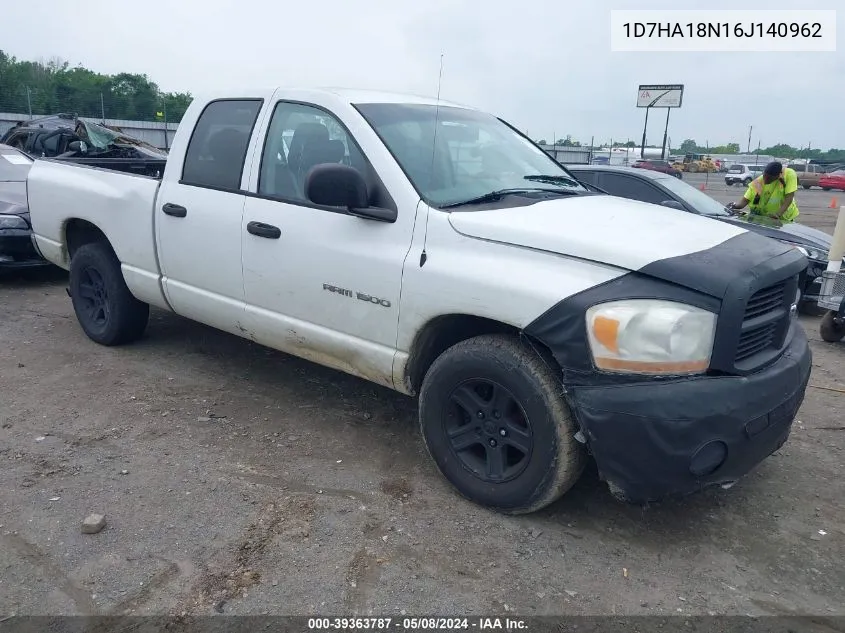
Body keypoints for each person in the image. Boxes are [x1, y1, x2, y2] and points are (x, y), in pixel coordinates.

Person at [727, 161, 799, 223]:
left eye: (769, 178)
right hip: (765, 220)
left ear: (778, 176)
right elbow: (743, 202)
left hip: (785, 219)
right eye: (765, 176)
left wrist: (778, 214)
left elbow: (789, 197)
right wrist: (733, 205)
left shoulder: (789, 174)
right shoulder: (758, 183)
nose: (765, 180)